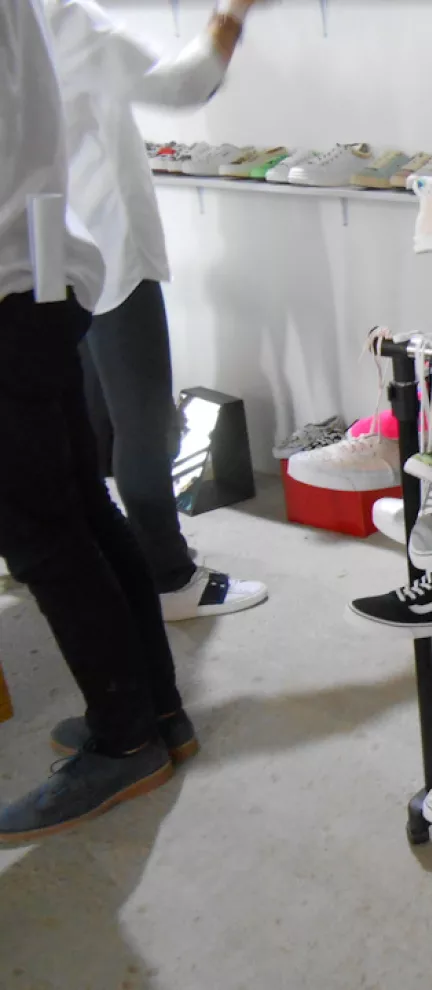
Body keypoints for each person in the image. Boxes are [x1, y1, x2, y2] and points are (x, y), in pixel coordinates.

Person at [0, 0, 191, 842]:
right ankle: (155, 710)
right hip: (48, 267)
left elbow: (184, 82)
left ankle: (126, 738)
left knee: (49, 535)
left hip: (27, 275)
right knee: (84, 508)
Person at [45, 0, 268, 621]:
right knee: (143, 425)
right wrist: (232, 12)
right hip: (108, 247)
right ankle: (169, 578)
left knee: (86, 418)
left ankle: (104, 556)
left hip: (48, 252)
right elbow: (182, 84)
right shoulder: (60, 16)